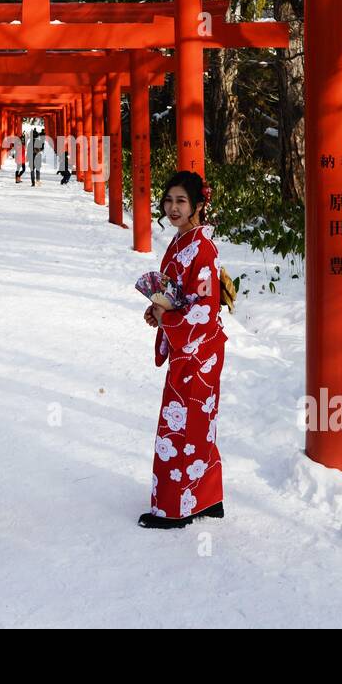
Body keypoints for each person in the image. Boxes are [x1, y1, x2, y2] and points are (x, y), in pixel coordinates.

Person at [139, 171, 226, 529]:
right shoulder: (181, 241)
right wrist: (158, 311)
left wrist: (168, 319)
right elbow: (175, 294)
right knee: (196, 425)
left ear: (198, 206)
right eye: (169, 200)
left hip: (198, 349)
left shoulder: (202, 249)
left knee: (184, 426)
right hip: (187, 347)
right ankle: (207, 498)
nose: (173, 208)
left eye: (182, 202)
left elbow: (204, 309)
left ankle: (176, 508)